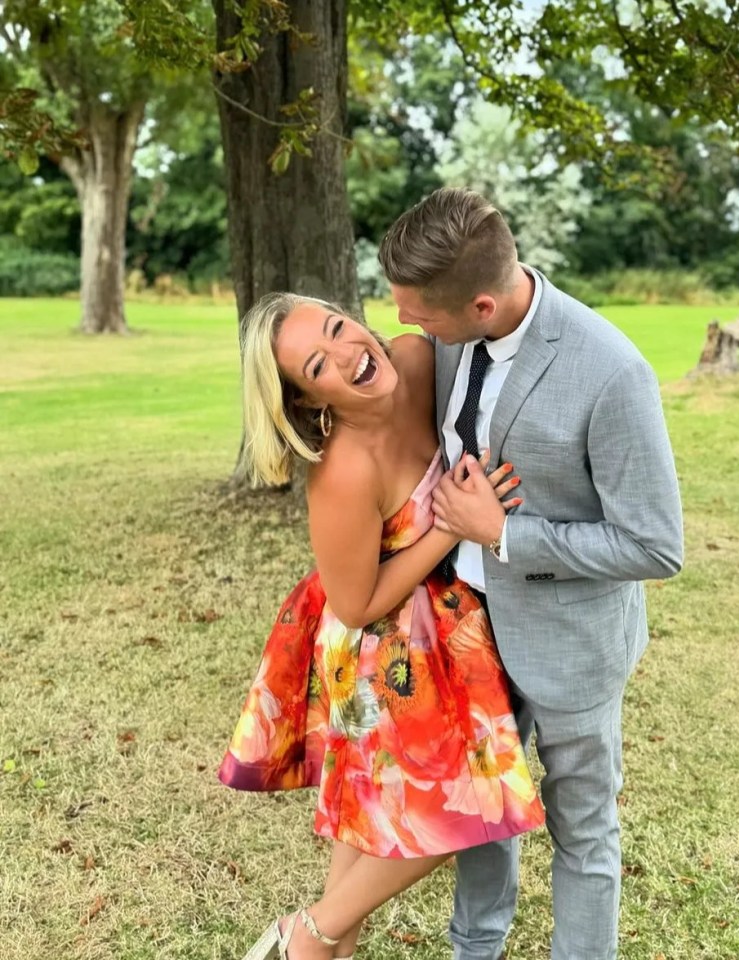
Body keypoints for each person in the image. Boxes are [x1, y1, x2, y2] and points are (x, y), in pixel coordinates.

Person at [377, 187, 684, 960]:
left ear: (482, 303)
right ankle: (474, 949)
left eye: (421, 316)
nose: (408, 327)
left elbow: (655, 546)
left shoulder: (613, 372)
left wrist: (507, 532)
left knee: (583, 827)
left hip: (573, 643)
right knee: (481, 810)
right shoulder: (447, 335)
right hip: (467, 632)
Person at [217, 292, 545, 960]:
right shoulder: (342, 471)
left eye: (340, 330)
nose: (347, 355)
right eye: (319, 365)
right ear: (311, 402)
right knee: (462, 809)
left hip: (449, 627)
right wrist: (450, 525)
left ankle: (319, 945)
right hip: (378, 650)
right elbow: (355, 605)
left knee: (366, 823)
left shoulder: (418, 359)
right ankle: (303, 936)